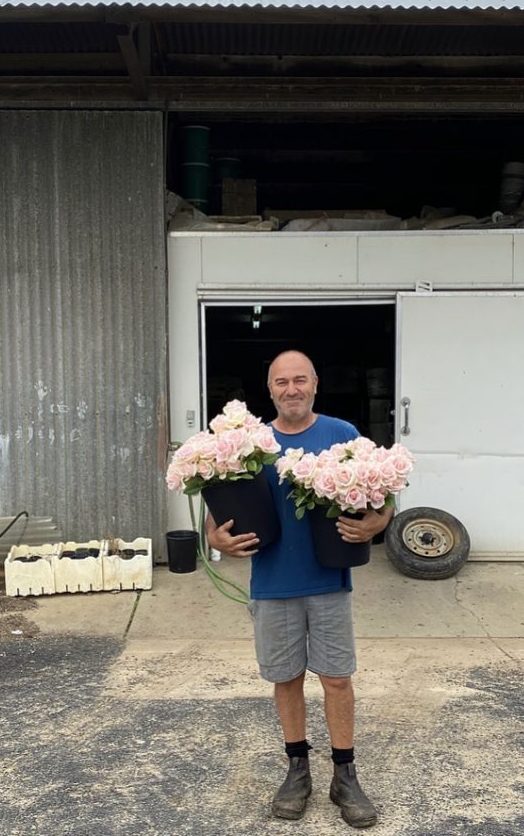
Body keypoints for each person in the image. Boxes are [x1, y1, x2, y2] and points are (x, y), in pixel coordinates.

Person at [205, 349, 392, 828]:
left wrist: (376, 523)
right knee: (285, 678)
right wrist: (215, 537)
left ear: (315, 384)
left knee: (336, 679)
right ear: (269, 390)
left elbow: (383, 495)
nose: (292, 389)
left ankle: (345, 775)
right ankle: (297, 769)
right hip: (271, 583)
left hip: (330, 578)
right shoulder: (250, 445)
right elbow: (216, 513)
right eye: (282, 382)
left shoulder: (342, 434)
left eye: (300, 380)